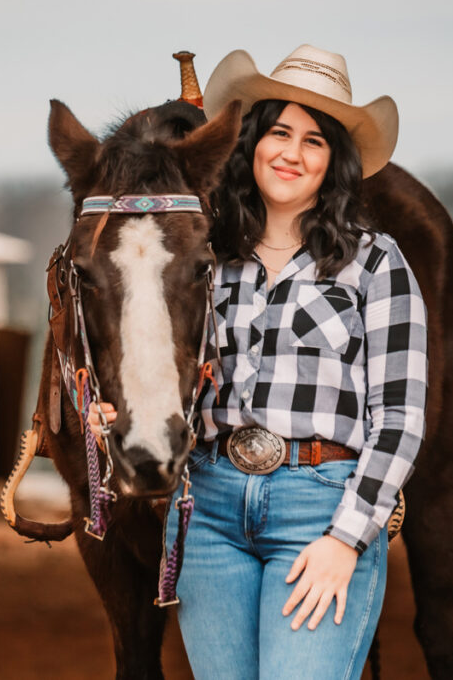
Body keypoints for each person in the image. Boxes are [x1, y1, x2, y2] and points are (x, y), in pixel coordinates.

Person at [92, 44, 428, 679]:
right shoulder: (207, 260)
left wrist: (347, 539)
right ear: (252, 143)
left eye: (314, 141)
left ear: (335, 163)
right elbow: (166, 372)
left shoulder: (376, 264)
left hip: (321, 507)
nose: (292, 154)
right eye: (278, 132)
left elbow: (401, 419)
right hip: (211, 510)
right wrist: (122, 408)